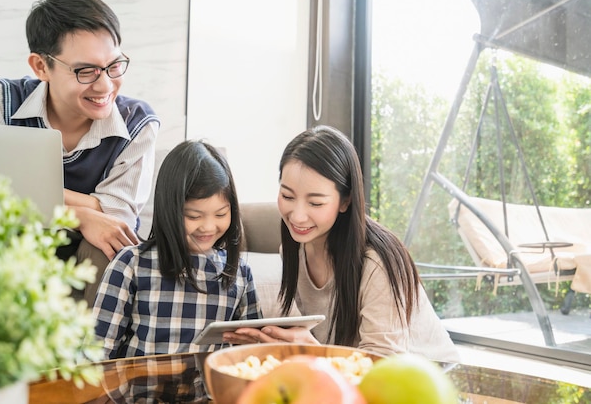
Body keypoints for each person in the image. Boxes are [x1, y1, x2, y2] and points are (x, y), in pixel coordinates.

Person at [0, 0, 160, 306]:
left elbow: (115, 215)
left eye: (114, 66)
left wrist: (21, 190)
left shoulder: (138, 123)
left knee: (110, 239)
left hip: (89, 258)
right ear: (41, 67)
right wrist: (82, 213)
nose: (105, 85)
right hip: (12, 247)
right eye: (85, 71)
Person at [224, 125, 459, 363]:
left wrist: (316, 353)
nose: (297, 216)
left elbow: (382, 364)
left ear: (345, 201)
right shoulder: (293, 251)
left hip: (429, 382)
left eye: (315, 203)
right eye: (287, 196)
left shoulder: (377, 262)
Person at [92, 140, 263, 359]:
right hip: (140, 392)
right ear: (169, 210)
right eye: (193, 216)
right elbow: (97, 352)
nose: (209, 227)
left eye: (221, 214)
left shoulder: (239, 273)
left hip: (210, 392)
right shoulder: (131, 264)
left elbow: (254, 355)